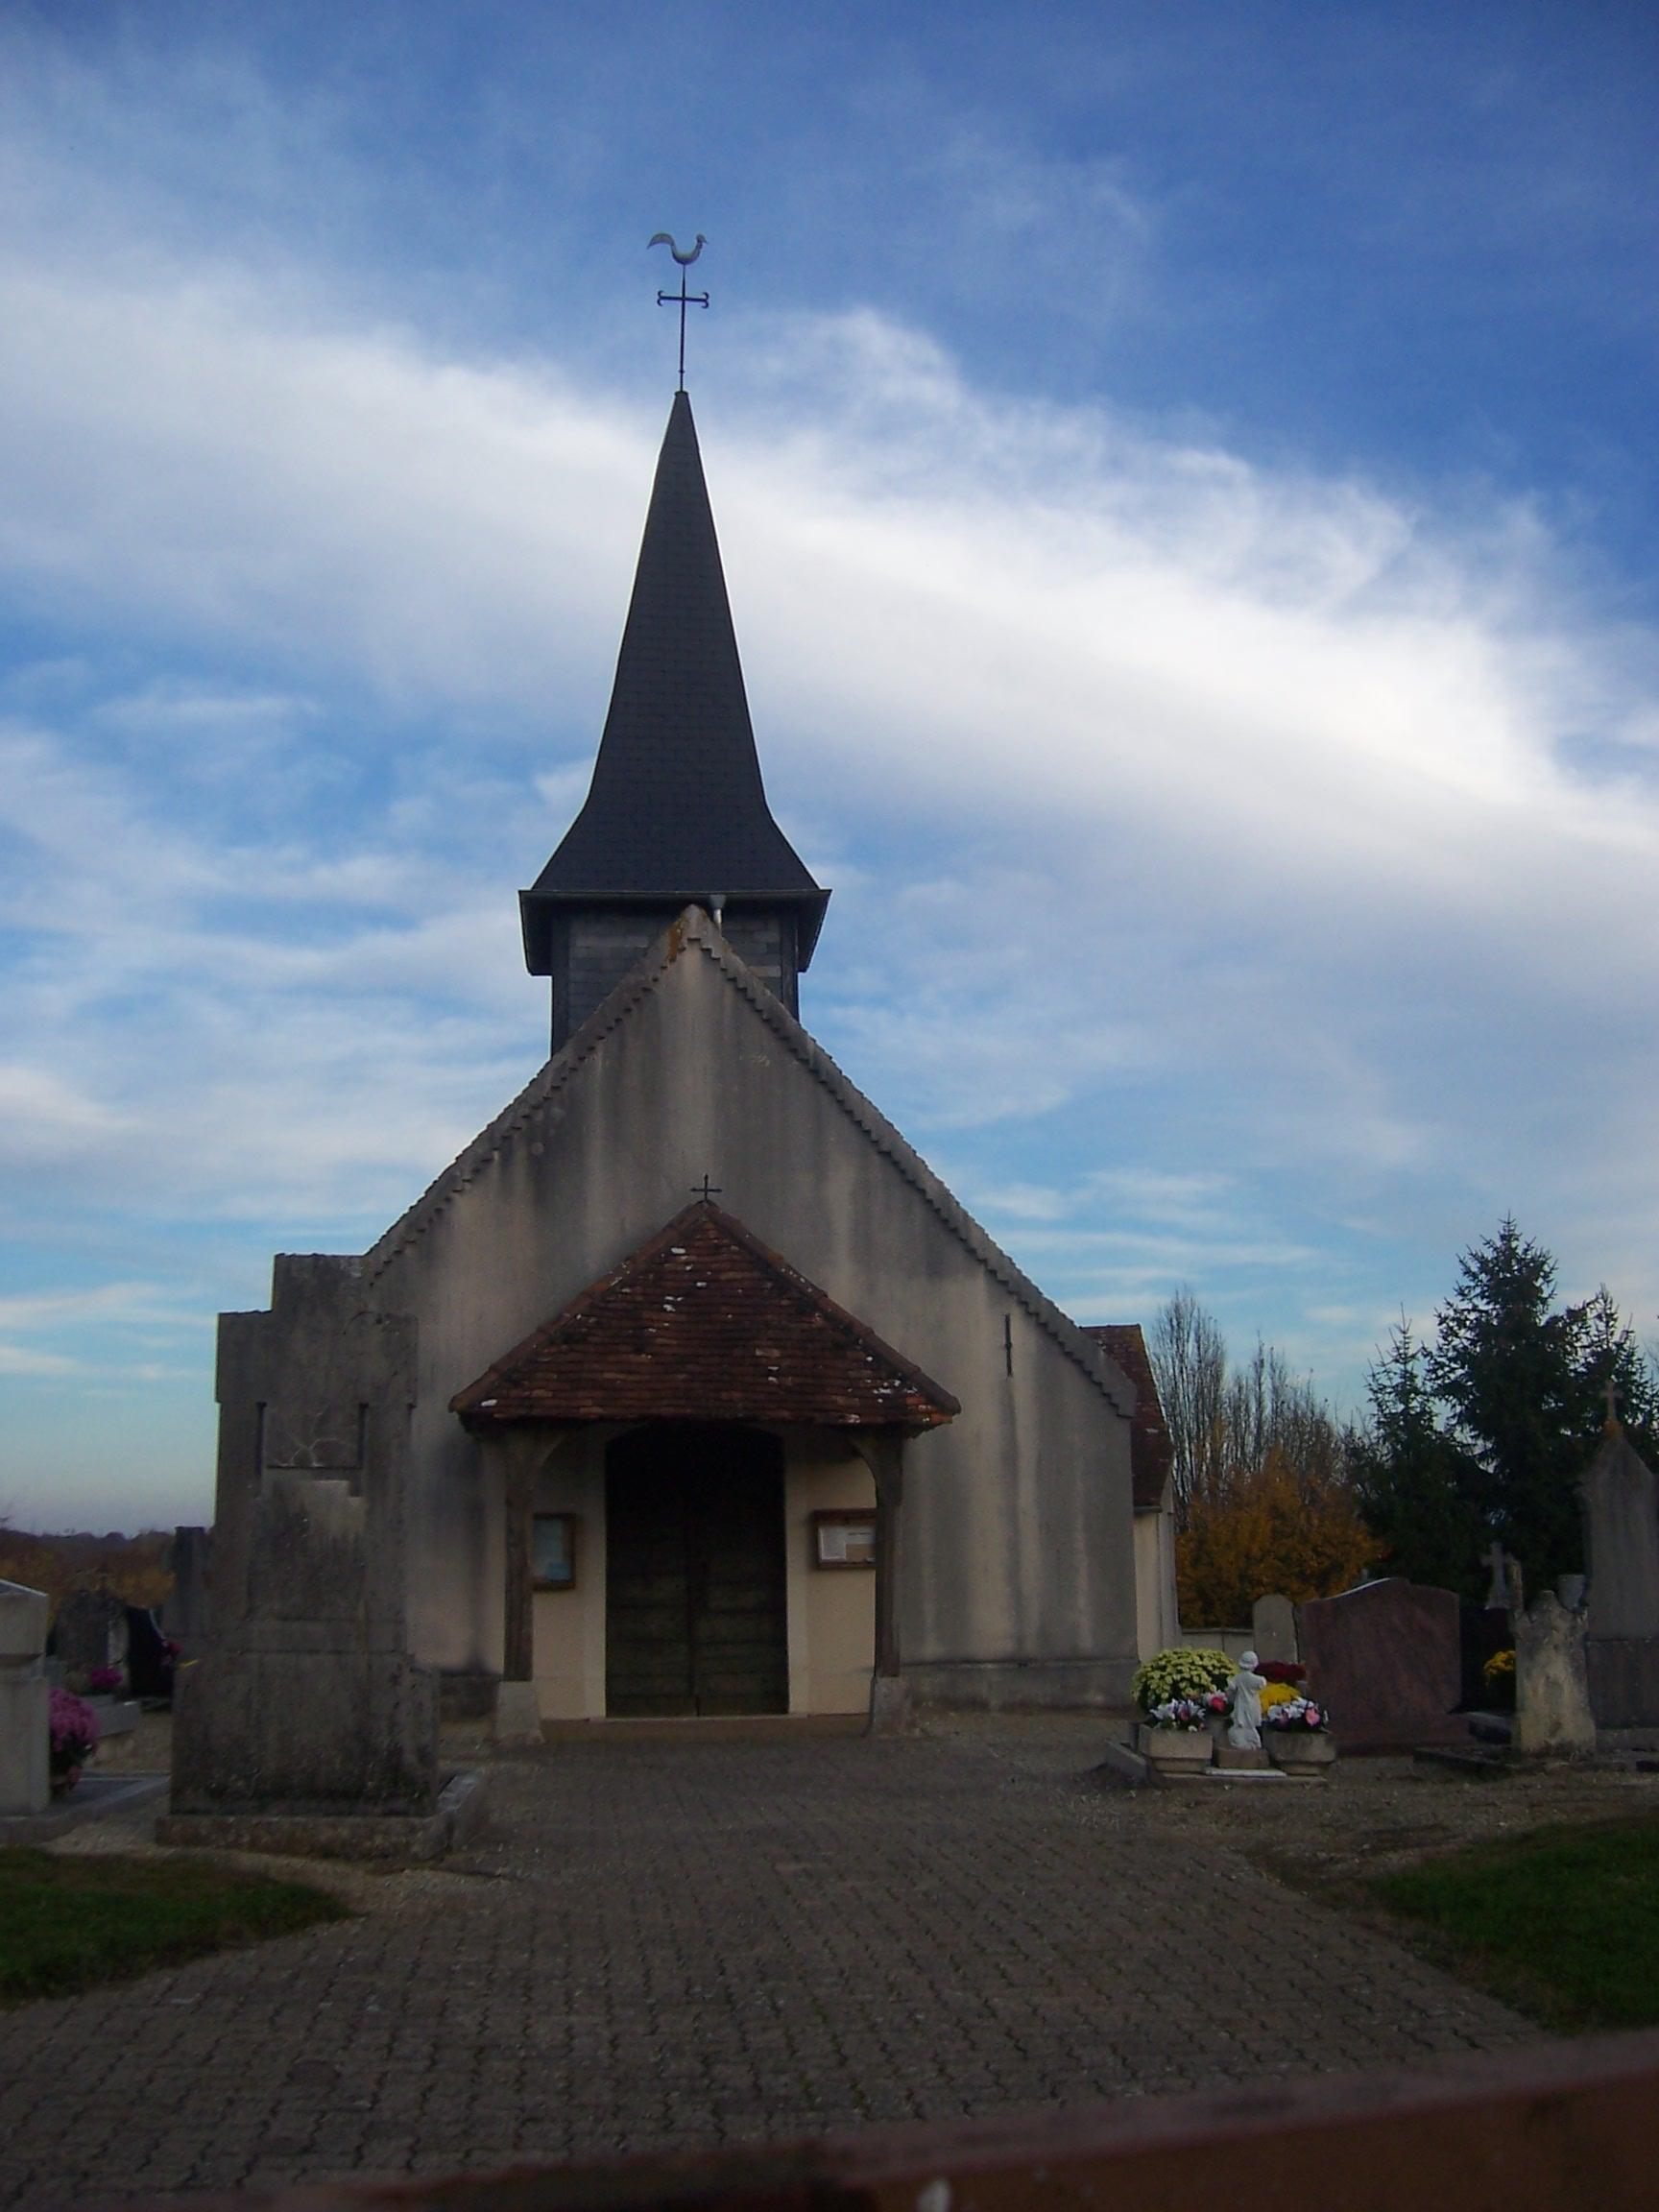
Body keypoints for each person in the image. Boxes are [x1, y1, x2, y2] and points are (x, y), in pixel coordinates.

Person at [1228, 1649, 1266, 1749]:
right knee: (1250, 1724)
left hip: (1241, 1703)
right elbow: (1262, 1683)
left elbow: (1231, 1688)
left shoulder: (1238, 1677)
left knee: (1242, 1723)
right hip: (1252, 1704)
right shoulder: (1255, 1679)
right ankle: (1251, 1742)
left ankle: (1248, 1742)